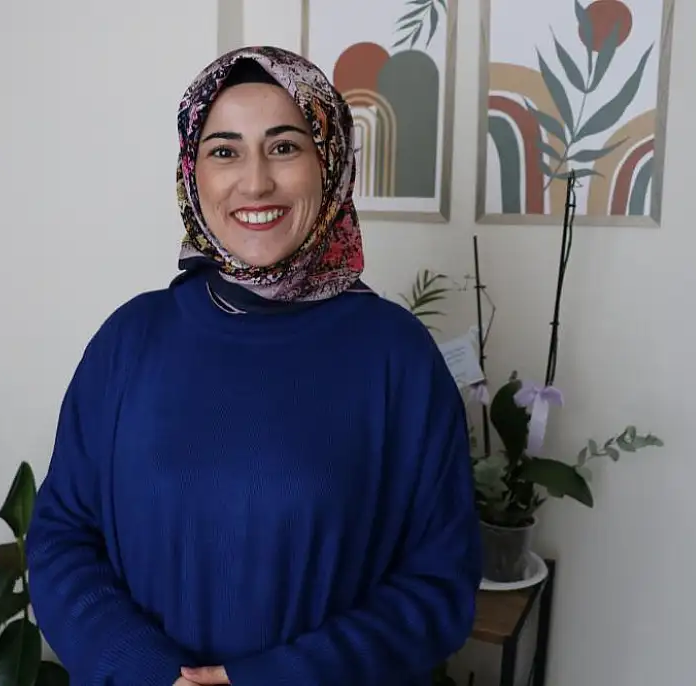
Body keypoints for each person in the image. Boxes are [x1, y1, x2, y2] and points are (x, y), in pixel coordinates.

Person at [26, 45, 482, 686]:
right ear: (193, 173)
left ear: (330, 162)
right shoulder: (130, 340)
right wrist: (148, 672)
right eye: (225, 151)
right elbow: (62, 537)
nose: (256, 181)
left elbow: (439, 587)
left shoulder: (397, 358)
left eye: (285, 146)